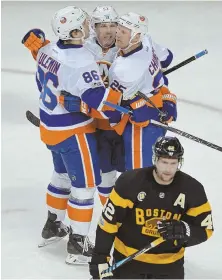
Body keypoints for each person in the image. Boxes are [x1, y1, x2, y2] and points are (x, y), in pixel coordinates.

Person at [25, 6, 122, 265]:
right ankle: (78, 244)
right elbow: (98, 102)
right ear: (76, 31)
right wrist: (127, 107)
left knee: (62, 176)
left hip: (50, 129)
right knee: (86, 186)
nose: (90, 26)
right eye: (85, 24)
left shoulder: (46, 50)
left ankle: (53, 225)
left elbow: (41, 83)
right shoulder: (81, 61)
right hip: (73, 133)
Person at [89, 136, 214, 279]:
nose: (168, 169)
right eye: (164, 162)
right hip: (128, 263)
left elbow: (206, 229)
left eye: (173, 163)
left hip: (169, 267)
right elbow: (107, 224)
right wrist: (100, 258)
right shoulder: (130, 182)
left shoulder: (192, 189)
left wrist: (185, 230)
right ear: (155, 159)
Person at [108, 12, 177, 170]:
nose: (117, 34)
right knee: (152, 170)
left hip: (141, 126)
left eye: (123, 32)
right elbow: (167, 58)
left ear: (136, 36)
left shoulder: (123, 70)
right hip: (161, 112)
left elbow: (113, 107)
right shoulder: (147, 40)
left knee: (138, 176)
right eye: (118, 28)